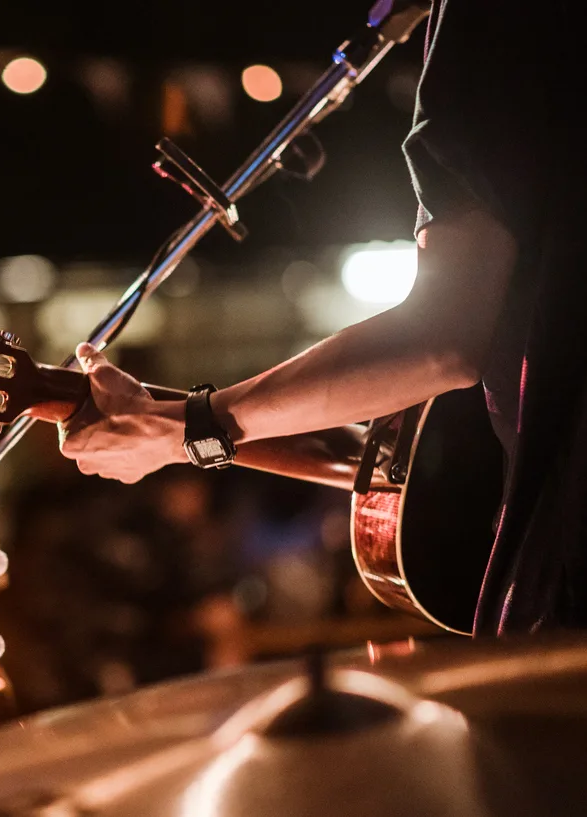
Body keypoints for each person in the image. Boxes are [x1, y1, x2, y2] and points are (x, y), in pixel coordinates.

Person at [53, 0, 587, 636]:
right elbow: (423, 460)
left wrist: (189, 427)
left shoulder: (496, 24)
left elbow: (441, 345)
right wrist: (184, 429)